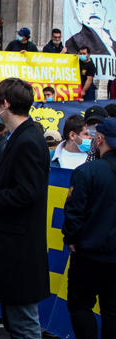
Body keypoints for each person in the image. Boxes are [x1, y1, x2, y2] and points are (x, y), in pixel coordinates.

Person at [0, 78, 50, 339]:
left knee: (24, 323)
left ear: (5, 104)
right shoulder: (21, 136)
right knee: (15, 321)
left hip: (19, 247)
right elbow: (20, 182)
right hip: (13, 245)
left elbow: (27, 193)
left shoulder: (28, 140)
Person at [62, 117, 116, 339]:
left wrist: (72, 239)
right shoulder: (89, 171)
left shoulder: (88, 172)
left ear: (100, 139)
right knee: (112, 310)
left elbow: (73, 212)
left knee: (80, 305)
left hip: (88, 253)